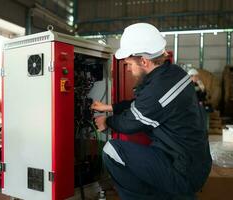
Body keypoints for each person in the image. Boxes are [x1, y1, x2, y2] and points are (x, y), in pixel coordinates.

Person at [91, 23, 212, 200]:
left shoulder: (157, 89)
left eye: (129, 64)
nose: (128, 69)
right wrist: (110, 107)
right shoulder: (173, 74)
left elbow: (129, 123)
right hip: (191, 161)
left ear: (144, 61)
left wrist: (107, 121)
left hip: (182, 169)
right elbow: (145, 104)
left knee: (111, 150)